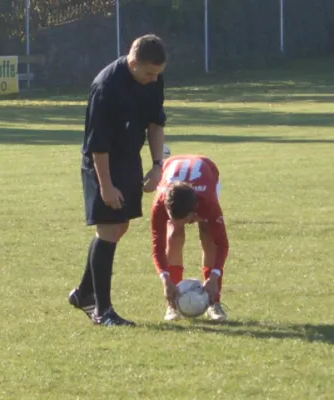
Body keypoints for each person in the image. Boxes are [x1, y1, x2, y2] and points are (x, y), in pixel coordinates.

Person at [68, 34, 167, 327]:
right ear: (133, 62)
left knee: (119, 226)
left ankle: (84, 293)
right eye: (149, 73)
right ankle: (102, 311)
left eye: (158, 74)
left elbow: (155, 122)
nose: (153, 79)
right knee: (109, 229)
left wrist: (158, 165)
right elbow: (97, 144)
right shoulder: (106, 86)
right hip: (102, 162)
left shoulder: (153, 79)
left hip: (128, 159)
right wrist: (106, 186)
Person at [150, 155, 229, 321]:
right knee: (173, 235)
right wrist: (165, 278)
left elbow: (222, 243)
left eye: (186, 220)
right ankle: (172, 304)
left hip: (206, 169)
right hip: (171, 168)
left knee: (208, 236)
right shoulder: (159, 204)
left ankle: (214, 302)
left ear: (194, 212)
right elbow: (157, 245)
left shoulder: (208, 201)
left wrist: (214, 276)